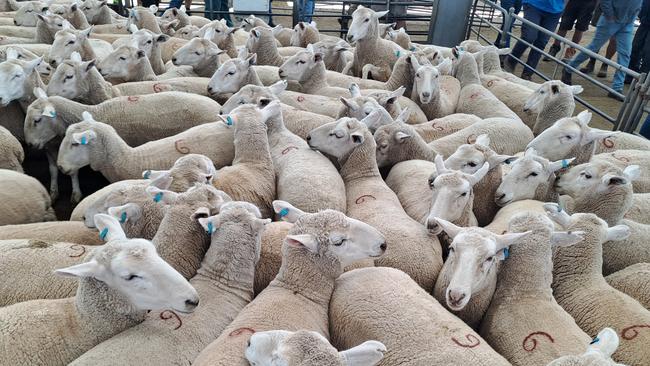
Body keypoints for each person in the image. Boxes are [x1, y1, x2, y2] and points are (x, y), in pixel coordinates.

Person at [562, 0, 643, 101]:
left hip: (627, 22)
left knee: (625, 53)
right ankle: (569, 68)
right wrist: (610, 15)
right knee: (593, 48)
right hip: (611, 21)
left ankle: (617, 88)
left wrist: (635, 14)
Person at [503, 0, 564, 81]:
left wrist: (563, 8)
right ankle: (511, 61)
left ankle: (527, 73)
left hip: (555, 10)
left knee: (541, 42)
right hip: (534, 4)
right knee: (529, 36)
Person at [628, 0, 650, 78]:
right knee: (635, 48)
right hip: (645, 22)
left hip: (645, 21)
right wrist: (642, 16)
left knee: (647, 54)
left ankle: (642, 81)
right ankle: (630, 75)